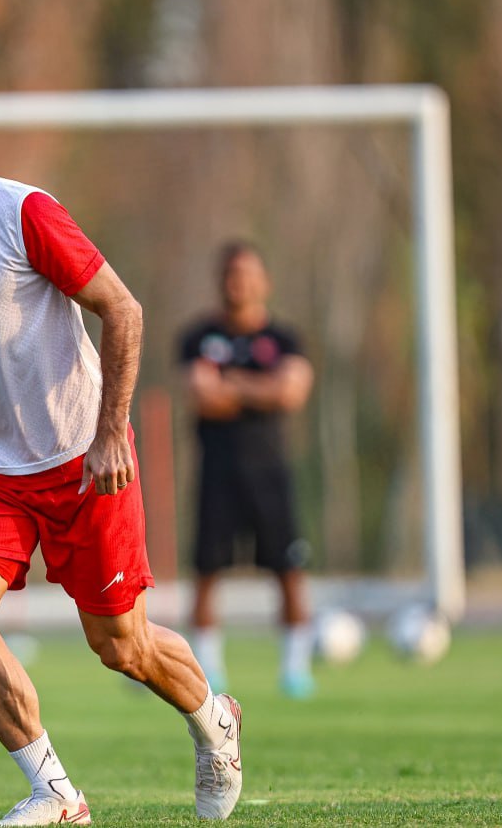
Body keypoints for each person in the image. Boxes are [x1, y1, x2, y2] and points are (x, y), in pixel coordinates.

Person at [0, 67, 244, 825]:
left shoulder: (21, 212)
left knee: (122, 646)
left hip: (83, 460)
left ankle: (215, 721)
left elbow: (122, 310)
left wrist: (109, 435)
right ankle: (56, 793)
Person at [177, 240, 316, 698]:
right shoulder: (198, 337)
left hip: (271, 473)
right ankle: (209, 672)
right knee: (206, 572)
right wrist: (263, 389)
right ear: (222, 281)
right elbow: (203, 397)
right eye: (232, 274)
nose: (240, 283)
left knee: (288, 571)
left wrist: (233, 383)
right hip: (216, 472)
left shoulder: (285, 339)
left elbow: (291, 393)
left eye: (248, 274)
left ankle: (295, 671)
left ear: (264, 282)